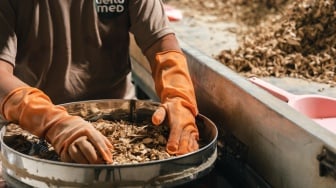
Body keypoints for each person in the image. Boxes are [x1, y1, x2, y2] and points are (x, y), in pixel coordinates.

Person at [0, 0, 199, 164]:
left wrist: (179, 97)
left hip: (120, 120)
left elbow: (161, 44)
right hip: (33, 127)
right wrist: (53, 123)